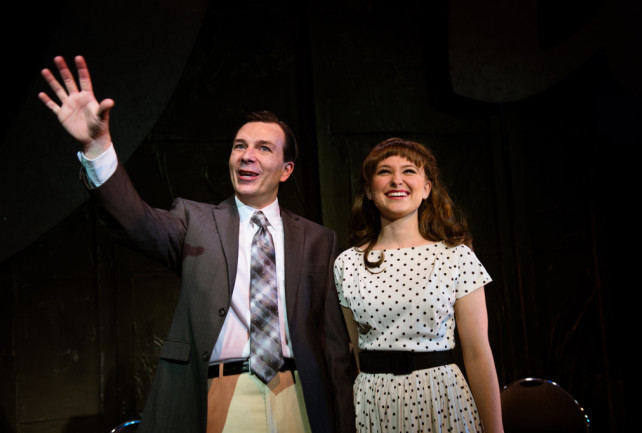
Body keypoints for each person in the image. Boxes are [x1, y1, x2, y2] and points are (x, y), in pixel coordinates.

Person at [38, 55, 356, 433]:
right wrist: (97, 147)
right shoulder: (195, 221)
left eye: (263, 148)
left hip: (298, 395)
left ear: (286, 169)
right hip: (222, 392)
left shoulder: (319, 239)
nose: (247, 155)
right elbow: (135, 221)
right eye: (239, 146)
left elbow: (336, 347)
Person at [334, 137, 504, 432]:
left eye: (409, 171)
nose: (396, 180)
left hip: (440, 399)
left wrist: (495, 429)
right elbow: (357, 353)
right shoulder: (347, 263)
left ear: (427, 188)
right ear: (369, 191)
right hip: (374, 403)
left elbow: (477, 353)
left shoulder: (455, 256)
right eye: (384, 171)